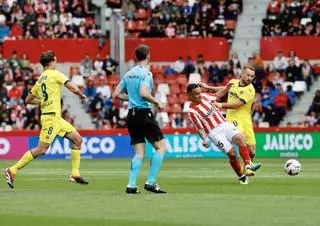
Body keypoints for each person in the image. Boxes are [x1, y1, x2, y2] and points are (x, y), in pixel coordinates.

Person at [4, 50, 88, 189]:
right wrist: (80, 94)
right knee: (41, 150)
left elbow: (28, 100)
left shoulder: (40, 79)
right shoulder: (55, 74)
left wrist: (42, 101)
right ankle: (12, 170)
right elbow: (71, 86)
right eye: (55, 60)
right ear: (50, 62)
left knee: (78, 140)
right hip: (50, 118)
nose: (57, 62)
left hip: (55, 118)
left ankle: (75, 173)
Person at [113, 44, 167, 194]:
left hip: (131, 115)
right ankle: (150, 182)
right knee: (161, 147)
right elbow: (144, 93)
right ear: (148, 56)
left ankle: (131, 185)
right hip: (144, 113)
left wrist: (130, 97)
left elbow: (116, 94)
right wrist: (157, 102)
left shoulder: (129, 74)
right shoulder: (146, 74)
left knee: (139, 152)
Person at [187, 83, 255, 184]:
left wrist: (226, 88)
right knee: (232, 154)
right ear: (190, 95)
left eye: (199, 92)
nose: (199, 95)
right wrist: (205, 140)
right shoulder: (192, 111)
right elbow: (199, 128)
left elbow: (217, 95)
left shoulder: (205, 96)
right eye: (196, 94)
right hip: (214, 133)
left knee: (240, 138)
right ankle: (241, 176)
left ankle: (248, 166)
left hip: (224, 124)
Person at [199, 64, 261, 171]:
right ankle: (247, 166)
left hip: (246, 120)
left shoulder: (250, 90)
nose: (250, 78)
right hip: (233, 119)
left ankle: (248, 165)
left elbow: (237, 104)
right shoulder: (233, 82)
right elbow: (224, 89)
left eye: (252, 76)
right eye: (248, 75)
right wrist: (208, 87)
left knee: (252, 151)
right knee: (240, 138)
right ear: (242, 74)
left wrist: (220, 105)